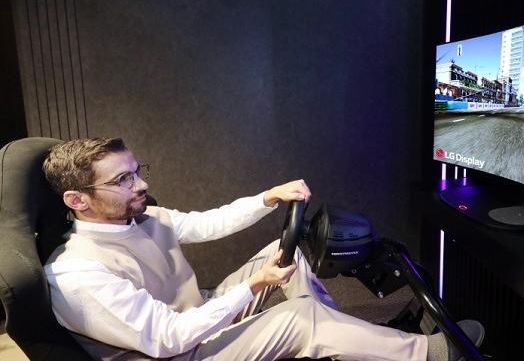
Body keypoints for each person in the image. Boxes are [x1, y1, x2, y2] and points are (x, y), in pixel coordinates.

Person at [42, 138, 484, 360]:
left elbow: (207, 223)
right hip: (182, 352)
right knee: (302, 316)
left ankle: (336, 339)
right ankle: (429, 355)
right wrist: (253, 286)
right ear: (77, 199)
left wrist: (268, 197)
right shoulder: (78, 275)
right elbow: (167, 338)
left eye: (138, 172)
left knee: (283, 252)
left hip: (200, 314)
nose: (141, 185)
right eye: (123, 180)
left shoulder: (144, 217)